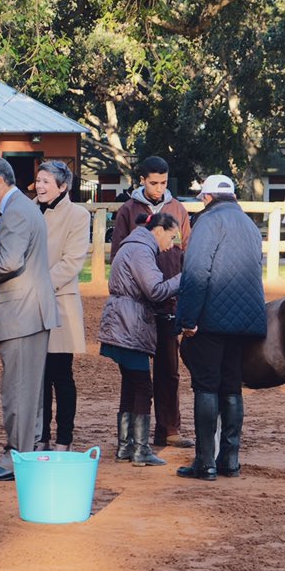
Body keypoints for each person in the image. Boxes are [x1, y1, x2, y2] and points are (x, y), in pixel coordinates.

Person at [0, 156, 59, 481]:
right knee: (29, 391)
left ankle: (15, 460)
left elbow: (9, 262)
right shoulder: (22, 208)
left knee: (17, 391)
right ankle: (27, 454)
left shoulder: (16, 212)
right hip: (29, 313)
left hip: (21, 313)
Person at [174, 175, 266, 481]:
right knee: (231, 387)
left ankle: (205, 462)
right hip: (245, 322)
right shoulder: (250, 225)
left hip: (211, 321)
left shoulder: (207, 223)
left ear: (207, 198)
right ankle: (230, 459)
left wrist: (187, 320)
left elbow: (196, 273)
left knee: (206, 386)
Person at [109, 156, 193, 449]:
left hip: (168, 302)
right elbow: (118, 253)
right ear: (142, 180)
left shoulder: (178, 209)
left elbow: (187, 250)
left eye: (164, 183)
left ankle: (169, 429)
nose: (159, 188)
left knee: (169, 369)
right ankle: (131, 436)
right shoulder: (128, 210)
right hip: (140, 304)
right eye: (153, 183)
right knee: (135, 372)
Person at [99, 212, 182, 467]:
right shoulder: (142, 250)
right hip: (130, 324)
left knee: (131, 385)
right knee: (144, 387)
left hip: (121, 322)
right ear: (159, 230)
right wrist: (185, 277)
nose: (172, 243)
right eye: (171, 236)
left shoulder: (133, 245)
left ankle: (126, 446)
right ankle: (141, 450)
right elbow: (155, 290)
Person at [33, 160, 88, 452]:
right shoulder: (27, 210)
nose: (40, 186)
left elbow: (72, 262)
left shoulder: (78, 216)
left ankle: (64, 438)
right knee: (38, 377)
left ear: (62, 186)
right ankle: (40, 436)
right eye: (38, 180)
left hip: (58, 304)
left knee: (61, 375)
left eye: (46, 181)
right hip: (29, 306)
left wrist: (38, 285)